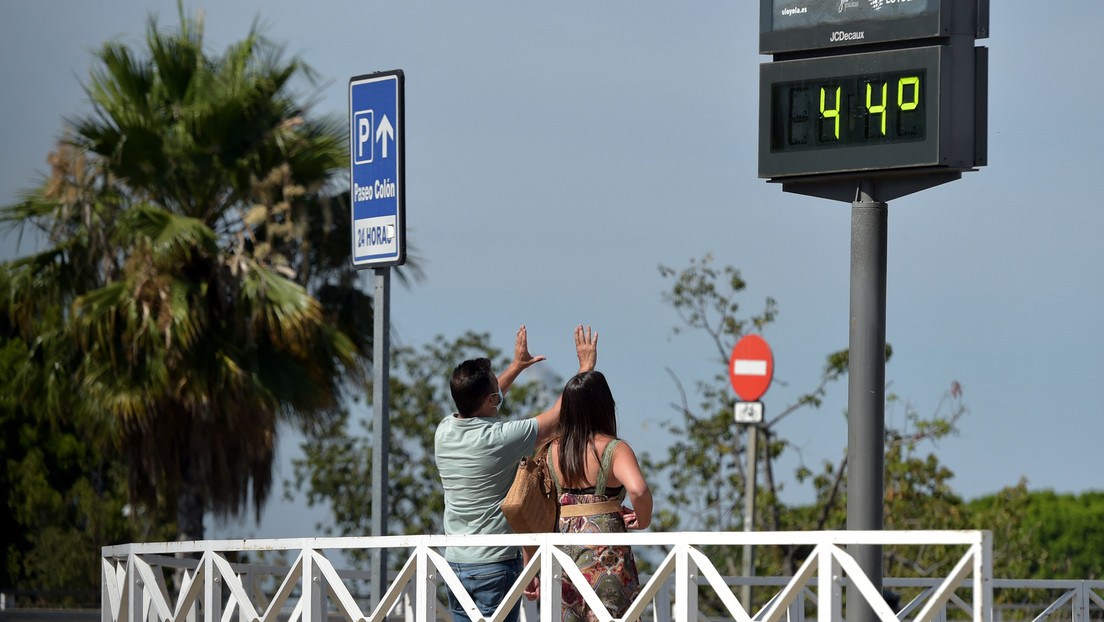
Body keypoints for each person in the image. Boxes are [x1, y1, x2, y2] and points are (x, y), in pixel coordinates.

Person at [435, 325, 598, 622]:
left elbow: (481, 404)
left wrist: (516, 367)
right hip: (494, 562)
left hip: (455, 562)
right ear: (491, 400)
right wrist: (584, 369)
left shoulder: (444, 431)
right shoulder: (499, 438)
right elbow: (556, 417)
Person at [546, 370, 652, 622]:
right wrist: (644, 519)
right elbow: (638, 490)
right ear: (605, 404)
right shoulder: (614, 449)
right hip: (604, 556)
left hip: (563, 551)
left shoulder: (553, 451)